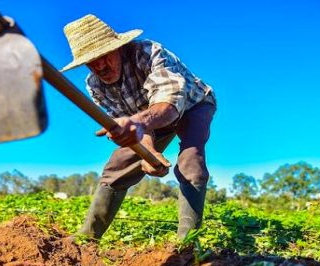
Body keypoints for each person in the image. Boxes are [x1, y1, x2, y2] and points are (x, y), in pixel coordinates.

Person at [60, 14, 216, 240]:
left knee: (191, 160)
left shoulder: (148, 52)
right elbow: (134, 128)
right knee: (118, 166)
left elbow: (169, 103)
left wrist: (137, 123)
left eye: (104, 55)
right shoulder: (95, 86)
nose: (100, 65)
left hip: (192, 105)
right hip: (147, 120)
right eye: (91, 61)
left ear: (120, 47)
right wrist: (149, 153)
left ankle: (187, 243)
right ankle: (88, 237)